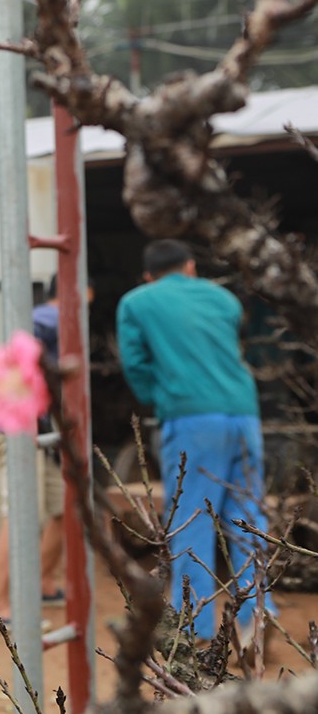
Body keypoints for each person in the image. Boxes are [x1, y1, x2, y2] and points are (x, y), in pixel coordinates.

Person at [117, 239, 276, 642]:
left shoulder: (137, 302)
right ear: (191, 266)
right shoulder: (224, 299)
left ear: (149, 275)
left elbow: (135, 364)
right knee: (247, 519)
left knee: (192, 521)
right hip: (243, 412)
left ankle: (195, 628)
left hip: (191, 419)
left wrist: (162, 396)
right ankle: (258, 620)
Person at [0, 275, 73, 631]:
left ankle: (44, 584)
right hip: (20, 430)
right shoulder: (51, 317)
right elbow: (21, 345)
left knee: (61, 506)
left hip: (42, 430)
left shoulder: (53, 321)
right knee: (18, 514)